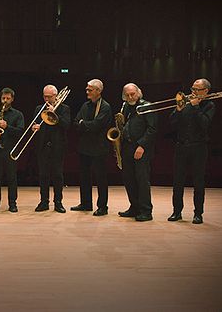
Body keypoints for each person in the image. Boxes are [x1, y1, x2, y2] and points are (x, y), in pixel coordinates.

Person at [168, 78, 216, 224]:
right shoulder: (185, 103)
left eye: (196, 90)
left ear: (206, 91)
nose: (193, 92)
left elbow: (204, 124)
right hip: (181, 147)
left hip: (199, 147)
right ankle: (177, 212)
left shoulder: (209, 105)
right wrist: (178, 110)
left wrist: (196, 108)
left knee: (198, 182)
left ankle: (198, 214)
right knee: (177, 182)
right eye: (192, 89)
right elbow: (172, 123)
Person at [72, 79, 113, 216]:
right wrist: (86, 124)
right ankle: (86, 203)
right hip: (84, 147)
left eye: (90, 89)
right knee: (84, 176)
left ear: (98, 91)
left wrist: (84, 124)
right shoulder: (85, 105)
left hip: (99, 147)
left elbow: (97, 125)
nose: (87, 91)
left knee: (100, 178)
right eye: (87, 89)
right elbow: (76, 122)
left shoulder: (105, 107)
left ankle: (102, 206)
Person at [117, 83, 158, 222]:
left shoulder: (146, 106)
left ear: (138, 93)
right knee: (129, 179)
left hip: (141, 148)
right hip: (127, 147)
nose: (130, 97)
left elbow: (152, 129)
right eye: (127, 95)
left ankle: (146, 211)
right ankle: (134, 207)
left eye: (132, 94)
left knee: (141, 180)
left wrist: (141, 146)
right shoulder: (126, 106)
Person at [33, 85, 71, 214]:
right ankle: (44, 202)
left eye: (49, 97)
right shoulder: (39, 109)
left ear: (56, 96)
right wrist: (35, 127)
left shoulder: (64, 109)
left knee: (57, 176)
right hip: (43, 146)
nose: (47, 99)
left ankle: (58, 202)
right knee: (43, 175)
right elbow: (35, 123)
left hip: (58, 147)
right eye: (45, 97)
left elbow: (66, 125)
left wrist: (54, 113)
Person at [0, 88, 24, 212]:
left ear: (12, 99)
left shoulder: (18, 114)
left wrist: (7, 127)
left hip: (10, 150)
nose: (5, 100)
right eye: (3, 98)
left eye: (8, 98)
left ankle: (12, 204)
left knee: (11, 178)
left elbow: (20, 131)